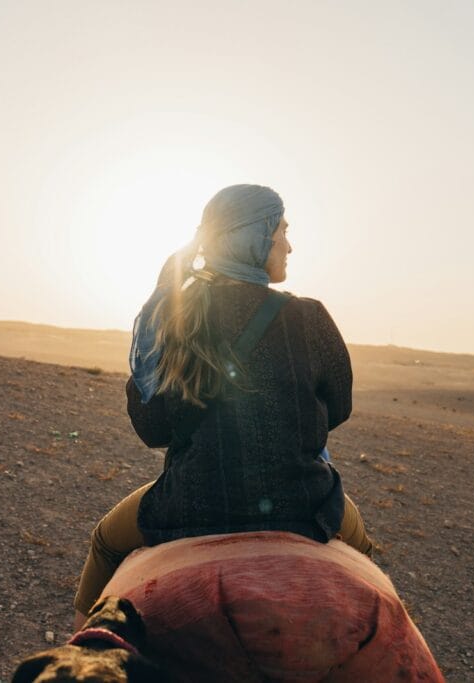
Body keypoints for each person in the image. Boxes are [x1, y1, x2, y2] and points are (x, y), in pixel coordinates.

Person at [72, 184, 374, 629]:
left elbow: (152, 429)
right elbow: (339, 408)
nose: (289, 245)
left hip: (189, 504)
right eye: (281, 230)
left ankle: (78, 645)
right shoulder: (310, 318)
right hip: (306, 503)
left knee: (106, 542)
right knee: (363, 553)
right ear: (254, 235)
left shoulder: (175, 319)